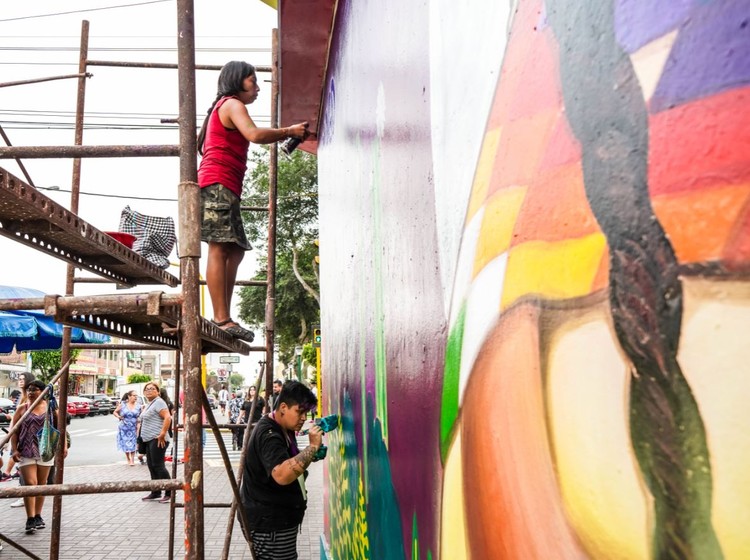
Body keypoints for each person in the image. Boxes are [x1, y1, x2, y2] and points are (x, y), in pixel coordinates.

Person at [197, 60, 309, 341]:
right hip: (218, 184)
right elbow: (255, 135)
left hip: (227, 186)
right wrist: (289, 131)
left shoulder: (222, 108)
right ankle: (221, 319)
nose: (257, 87)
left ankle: (223, 315)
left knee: (235, 251)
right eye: (252, 81)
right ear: (236, 81)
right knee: (220, 248)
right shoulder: (232, 104)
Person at [240, 380, 321, 559]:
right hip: (270, 524)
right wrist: (312, 447)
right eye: (300, 412)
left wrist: (309, 456)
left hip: (276, 520)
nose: (303, 418)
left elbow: (287, 461)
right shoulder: (269, 434)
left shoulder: (283, 426)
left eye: (306, 413)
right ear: (283, 407)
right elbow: (282, 475)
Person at [10, 380, 67, 534]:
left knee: (41, 484)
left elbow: (61, 428)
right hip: (26, 450)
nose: (30, 392)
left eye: (34, 389)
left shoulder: (51, 408)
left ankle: (37, 515)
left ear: (43, 392)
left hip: (45, 450)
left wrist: (64, 447)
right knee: (30, 484)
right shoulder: (23, 408)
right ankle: (29, 518)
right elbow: (14, 431)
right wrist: (14, 450)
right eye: (28, 389)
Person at [137, 382, 172, 503]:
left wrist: (162, 434)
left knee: (159, 466)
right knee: (151, 466)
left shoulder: (159, 402)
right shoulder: (149, 404)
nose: (149, 391)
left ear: (158, 392)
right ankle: (156, 491)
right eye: (146, 389)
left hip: (157, 439)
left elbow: (168, 417)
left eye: (152, 389)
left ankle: (170, 491)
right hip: (148, 439)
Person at [113, 391, 141, 466]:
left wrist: (139, 423)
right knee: (126, 443)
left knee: (133, 444)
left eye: (136, 396)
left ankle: (132, 460)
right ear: (129, 396)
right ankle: (128, 458)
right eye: (134, 395)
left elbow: (140, 416)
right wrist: (119, 417)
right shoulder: (123, 405)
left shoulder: (138, 406)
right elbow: (115, 412)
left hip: (134, 427)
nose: (135, 397)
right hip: (124, 427)